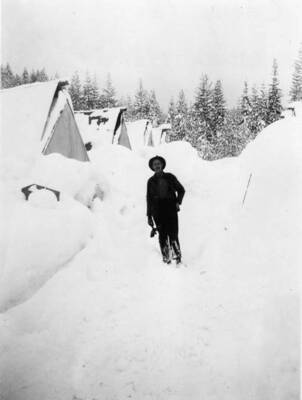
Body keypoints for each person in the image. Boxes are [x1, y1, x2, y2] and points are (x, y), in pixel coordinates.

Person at [146, 155, 185, 264]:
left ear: (162, 165)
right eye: (155, 164)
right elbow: (149, 199)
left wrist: (178, 202)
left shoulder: (170, 177)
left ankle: (177, 256)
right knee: (162, 234)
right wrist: (149, 216)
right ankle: (166, 257)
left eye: (158, 163)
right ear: (152, 167)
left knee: (173, 232)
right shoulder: (151, 181)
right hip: (157, 211)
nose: (157, 166)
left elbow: (181, 190)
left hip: (170, 208)